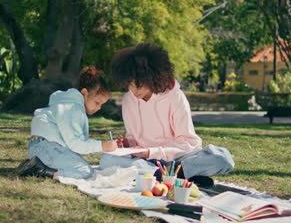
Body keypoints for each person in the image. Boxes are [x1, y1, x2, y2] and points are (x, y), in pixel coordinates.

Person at [99, 43, 235, 186]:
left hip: (178, 158)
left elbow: (188, 143)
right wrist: (127, 145)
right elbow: (134, 139)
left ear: (151, 78)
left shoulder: (176, 98)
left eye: (137, 85)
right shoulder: (128, 100)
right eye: (129, 85)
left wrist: (151, 152)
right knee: (107, 159)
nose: (133, 91)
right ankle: (177, 175)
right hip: (147, 161)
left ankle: (166, 174)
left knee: (222, 157)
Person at [17, 66, 117, 179]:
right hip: (46, 148)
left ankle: (38, 165)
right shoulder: (72, 108)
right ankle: (41, 170)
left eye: (101, 105)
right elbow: (75, 144)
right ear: (85, 93)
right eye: (97, 102)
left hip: (43, 147)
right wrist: (101, 146)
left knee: (84, 167)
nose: (98, 108)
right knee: (85, 171)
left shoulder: (70, 104)